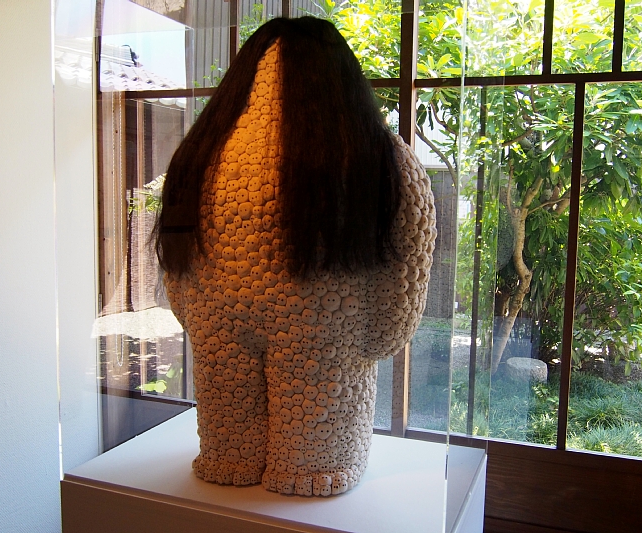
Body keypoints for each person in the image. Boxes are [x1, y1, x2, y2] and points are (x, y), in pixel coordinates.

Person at [156, 16, 436, 496]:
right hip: (324, 328)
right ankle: (309, 467)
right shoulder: (375, 153)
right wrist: (378, 335)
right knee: (318, 448)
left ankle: (230, 456)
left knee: (229, 428)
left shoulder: (200, 151)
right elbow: (409, 257)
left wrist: (195, 316)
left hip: (216, 322)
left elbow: (176, 252)